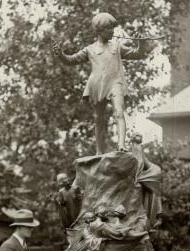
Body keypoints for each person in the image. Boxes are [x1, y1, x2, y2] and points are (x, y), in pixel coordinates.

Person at [53, 12, 154, 154]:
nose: (112, 31)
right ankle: (99, 152)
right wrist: (61, 55)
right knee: (98, 119)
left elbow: (138, 54)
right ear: (99, 30)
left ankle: (121, 145)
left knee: (119, 112)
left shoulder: (117, 47)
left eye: (113, 27)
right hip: (97, 86)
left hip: (115, 83)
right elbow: (71, 60)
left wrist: (141, 44)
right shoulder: (90, 49)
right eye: (109, 28)